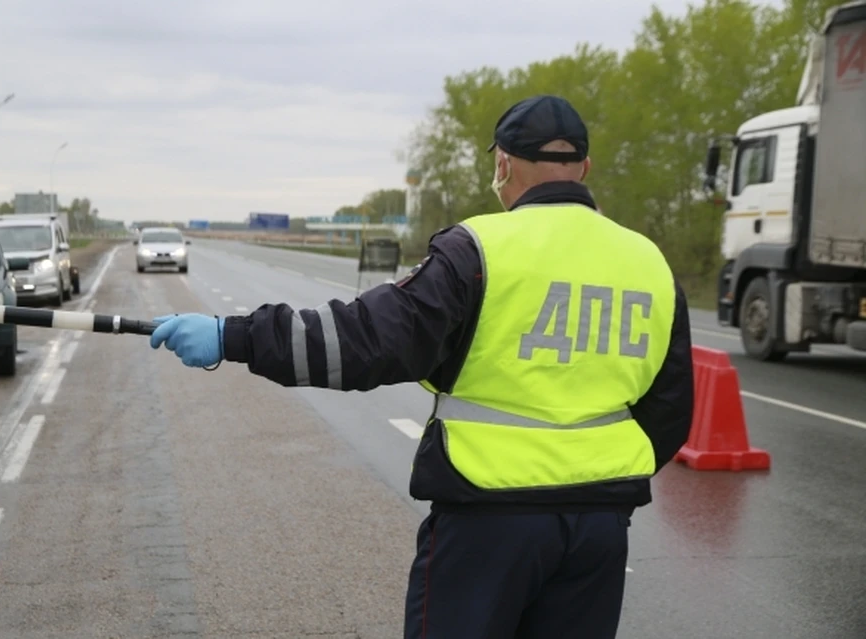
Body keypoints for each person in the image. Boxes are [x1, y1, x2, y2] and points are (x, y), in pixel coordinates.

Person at [150, 94, 695, 639]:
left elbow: (363, 340)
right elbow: (670, 409)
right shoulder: (648, 262)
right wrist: (605, 486)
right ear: (585, 168)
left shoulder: (479, 249)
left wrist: (235, 336)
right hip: (599, 531)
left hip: (487, 519)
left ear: (502, 164)